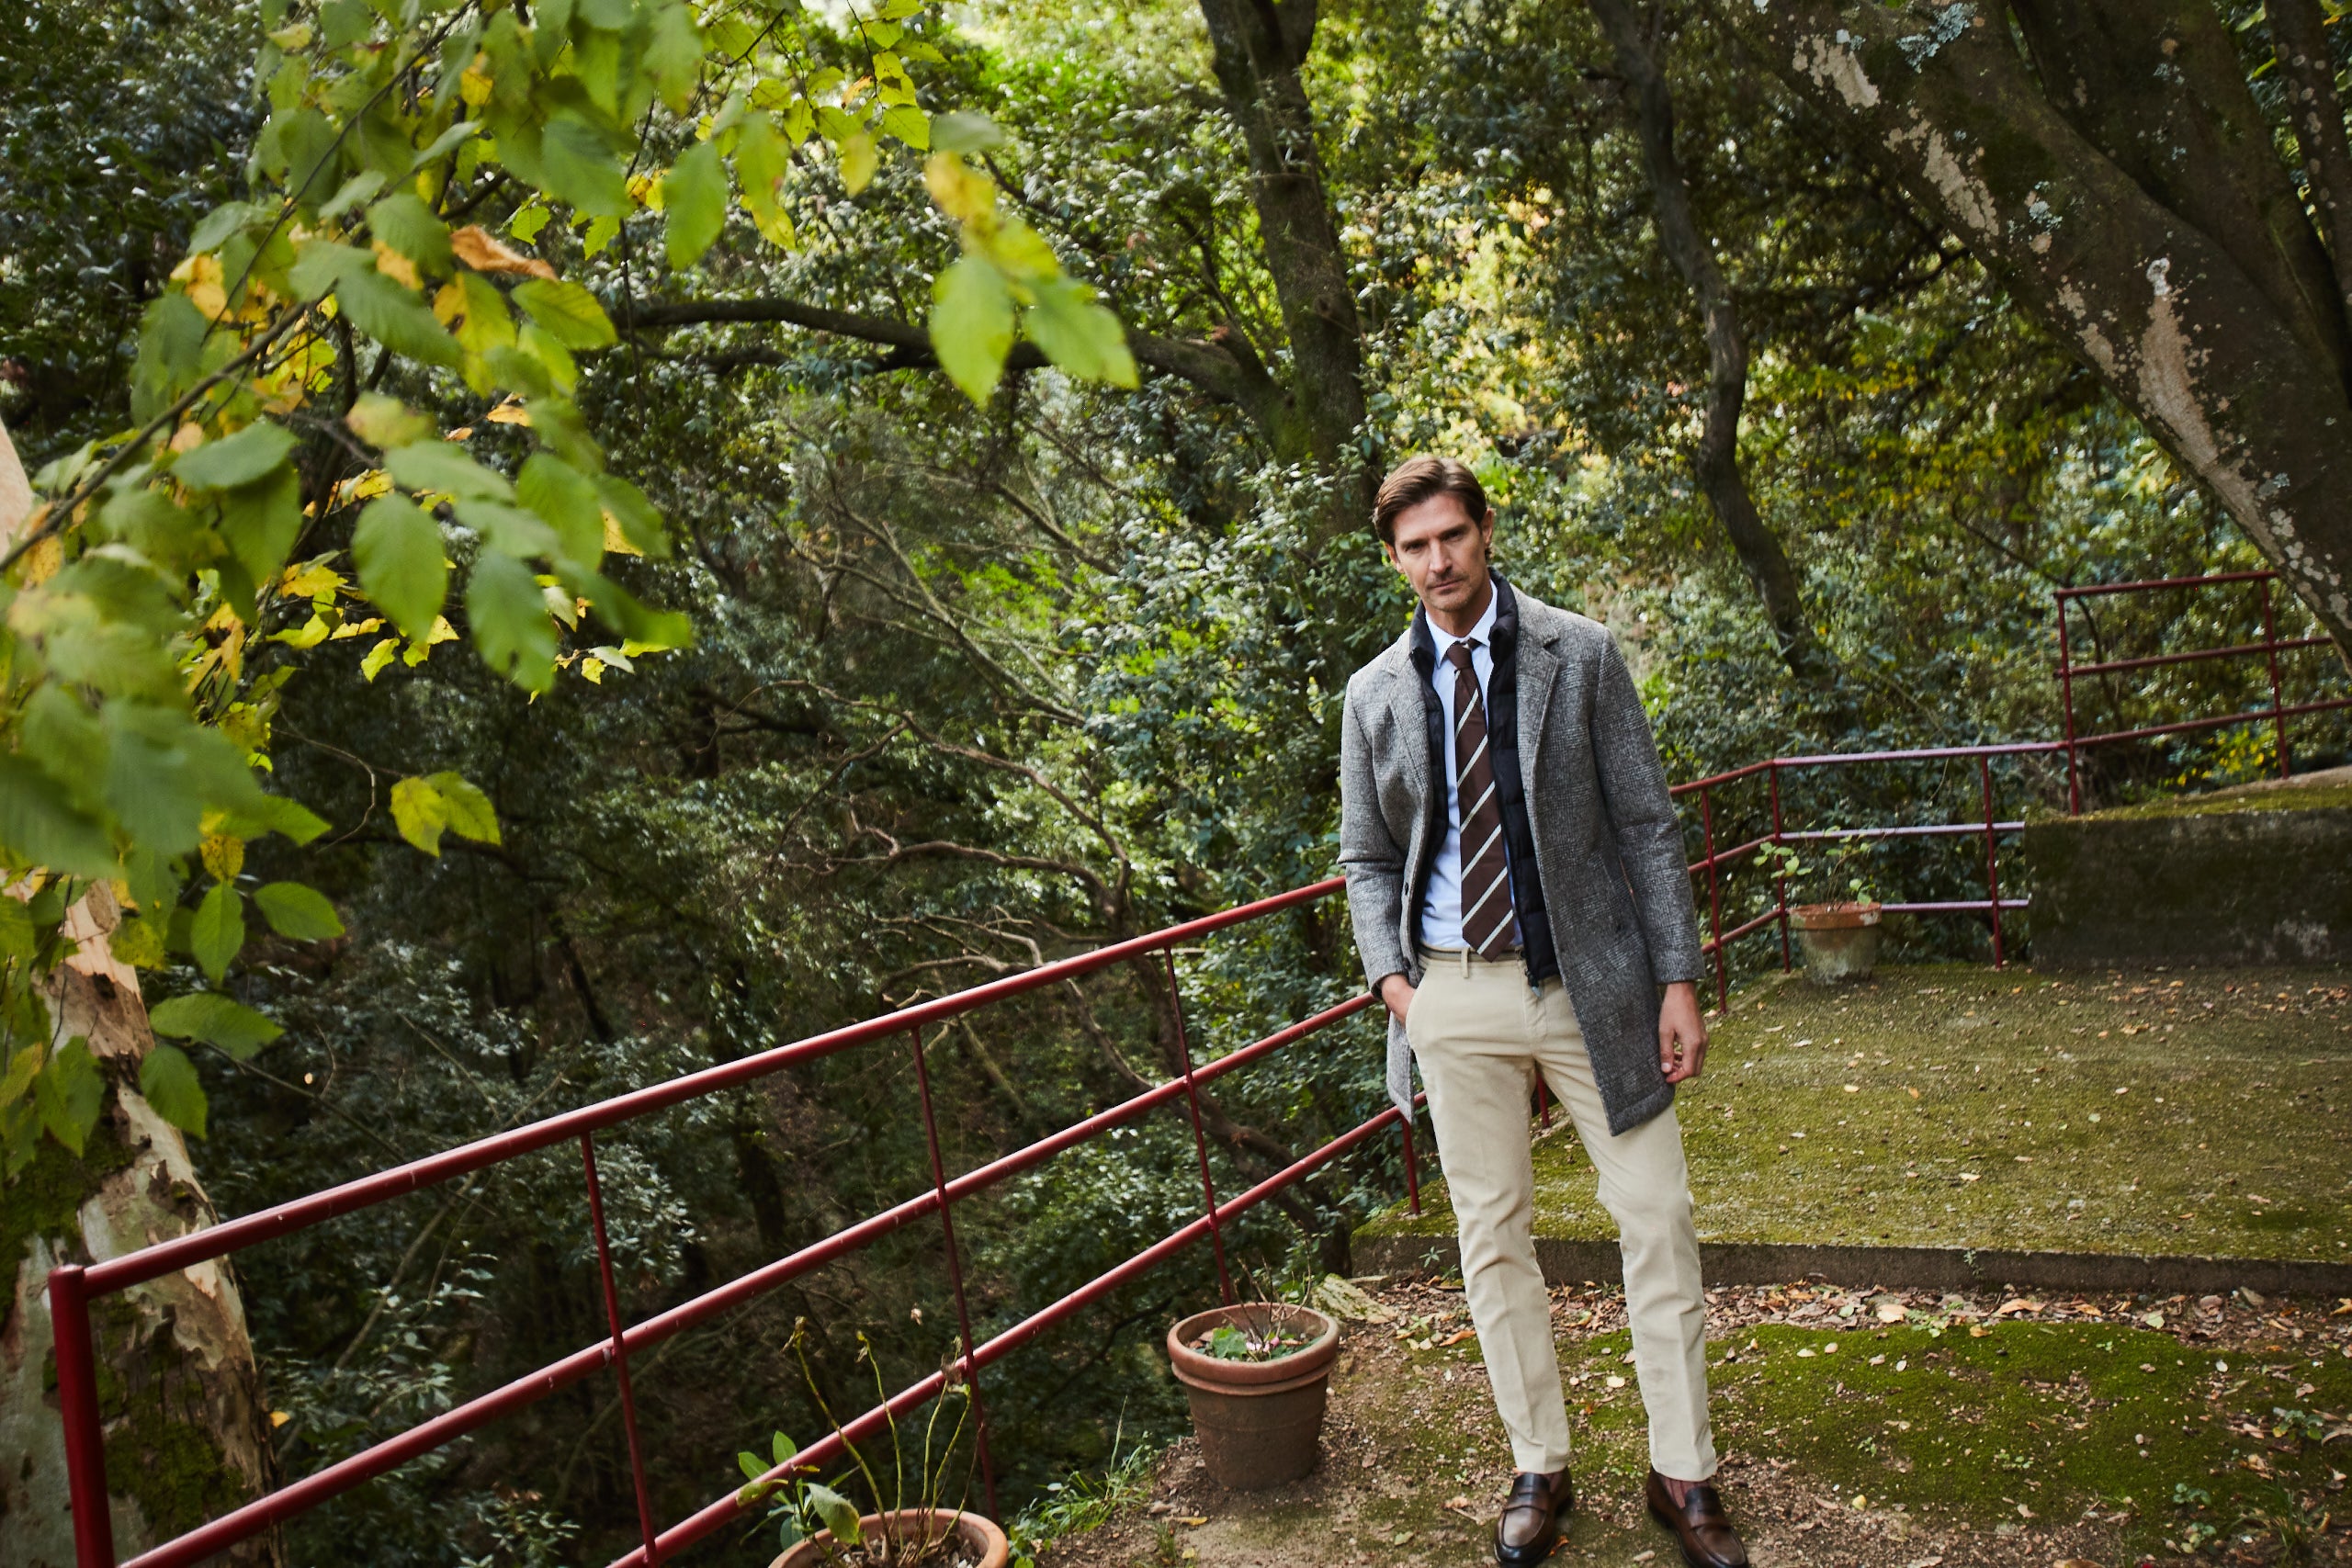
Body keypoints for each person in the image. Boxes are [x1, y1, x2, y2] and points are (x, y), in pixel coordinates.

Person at [1338, 456, 1748, 1568]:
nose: (1438, 561)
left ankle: (1682, 1471)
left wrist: (1676, 979)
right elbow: (1365, 859)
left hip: (1591, 985)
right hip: (1450, 989)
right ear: (1394, 560)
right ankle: (1539, 1463)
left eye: (1451, 536)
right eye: (1415, 547)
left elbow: (1647, 825)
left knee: (1655, 1214)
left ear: (1483, 531)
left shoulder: (1582, 653)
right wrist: (1398, 991)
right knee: (1490, 1236)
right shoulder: (1373, 693)